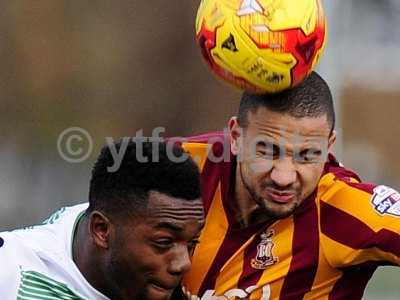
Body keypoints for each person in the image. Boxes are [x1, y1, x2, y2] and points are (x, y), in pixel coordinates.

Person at [180, 72, 400, 299]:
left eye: (307, 155)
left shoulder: (340, 208)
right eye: (267, 151)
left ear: (328, 146)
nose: (283, 178)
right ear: (236, 137)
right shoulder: (183, 165)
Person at [0, 140, 204, 300]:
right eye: (163, 242)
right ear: (101, 231)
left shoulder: (119, 217)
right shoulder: (12, 276)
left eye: (192, 243)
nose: (184, 264)